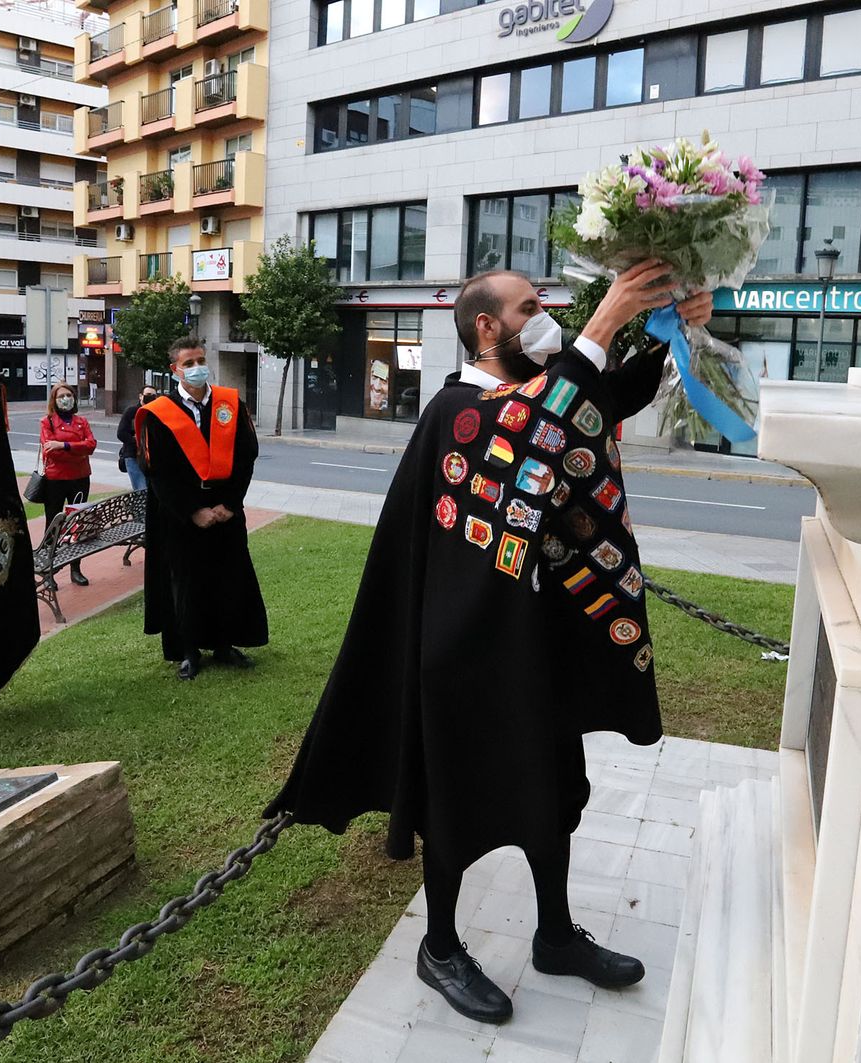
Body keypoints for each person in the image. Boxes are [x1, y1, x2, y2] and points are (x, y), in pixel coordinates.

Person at [264, 266, 716, 1023]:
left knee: (553, 787)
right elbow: (533, 426)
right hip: (463, 647)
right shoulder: (461, 411)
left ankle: (554, 935)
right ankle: (439, 945)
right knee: (458, 799)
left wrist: (671, 332)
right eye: (529, 309)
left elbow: (596, 402)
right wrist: (601, 324)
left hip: (531, 636)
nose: (544, 319)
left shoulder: (538, 395)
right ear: (487, 327)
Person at [136, 338, 266, 680]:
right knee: (185, 582)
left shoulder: (230, 404)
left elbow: (246, 457)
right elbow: (157, 473)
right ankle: (189, 651)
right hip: (180, 517)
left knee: (228, 577)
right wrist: (193, 511)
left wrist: (230, 504)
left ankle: (223, 645)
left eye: (200, 360)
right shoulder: (158, 413)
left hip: (225, 510)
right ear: (175, 369)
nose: (196, 368)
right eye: (189, 363)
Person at [38, 382, 97, 586]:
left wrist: (63, 445)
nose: (65, 399)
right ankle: (48, 571)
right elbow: (49, 451)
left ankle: (75, 569)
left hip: (80, 479)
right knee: (52, 525)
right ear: (54, 400)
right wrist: (77, 451)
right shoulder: (47, 422)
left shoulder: (81, 422)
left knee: (76, 525)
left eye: (69, 395)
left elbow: (91, 445)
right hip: (55, 481)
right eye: (61, 396)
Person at [116, 384, 157, 492]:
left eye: (154, 396)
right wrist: (138, 441)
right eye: (148, 395)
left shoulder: (156, 412)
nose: (151, 398)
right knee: (141, 489)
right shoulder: (131, 411)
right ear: (140, 396)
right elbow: (121, 433)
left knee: (153, 490)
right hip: (133, 456)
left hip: (151, 457)